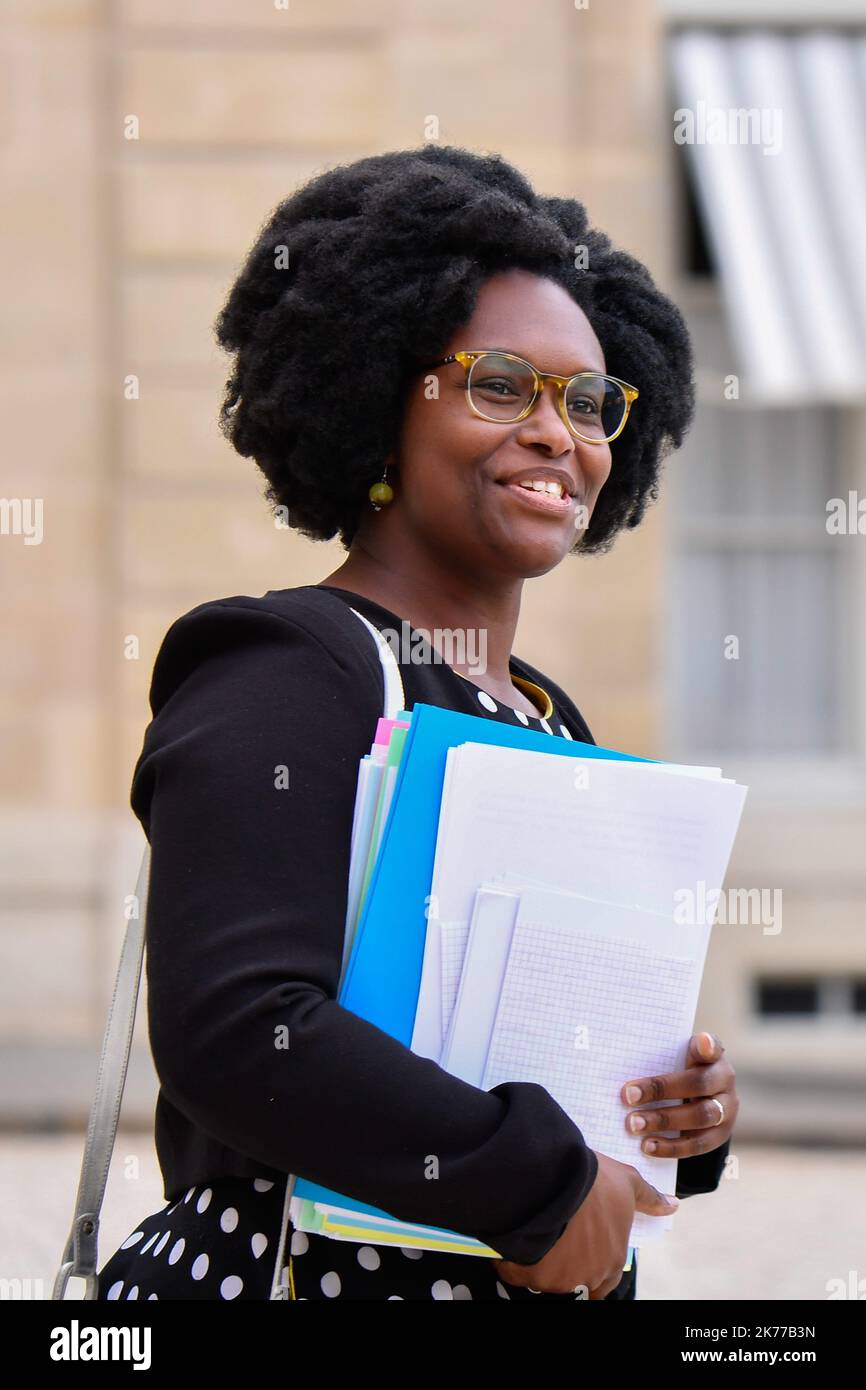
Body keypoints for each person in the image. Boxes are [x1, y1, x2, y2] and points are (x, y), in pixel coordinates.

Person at [97, 145, 738, 1303]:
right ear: (381, 396)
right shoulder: (287, 665)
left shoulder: (546, 715)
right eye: (499, 384)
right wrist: (537, 1183)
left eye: (587, 400)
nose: (558, 432)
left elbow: (523, 1043)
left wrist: (668, 1113)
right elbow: (239, 1030)